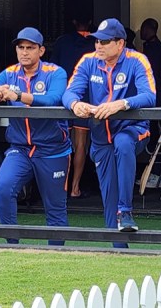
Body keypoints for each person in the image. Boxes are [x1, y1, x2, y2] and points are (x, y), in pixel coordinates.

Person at [62, 18, 156, 234]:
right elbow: (69, 92)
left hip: (132, 129)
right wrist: (75, 104)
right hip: (101, 134)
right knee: (108, 193)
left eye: (104, 42)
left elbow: (149, 96)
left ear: (120, 43)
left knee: (123, 144)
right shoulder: (88, 61)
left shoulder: (137, 60)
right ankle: (117, 249)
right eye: (97, 41)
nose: (98, 46)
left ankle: (126, 211)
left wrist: (121, 104)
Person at [0, 27, 71, 245]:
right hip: (20, 148)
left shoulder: (55, 72)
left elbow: (54, 100)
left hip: (52, 149)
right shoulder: (9, 73)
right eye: (20, 47)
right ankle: (13, 246)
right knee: (3, 188)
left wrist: (20, 95)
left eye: (30, 48)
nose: (24, 52)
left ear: (41, 51)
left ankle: (56, 256)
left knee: (55, 208)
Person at [50, 18, 95, 199]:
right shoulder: (95, 43)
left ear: (74, 21)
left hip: (64, 97)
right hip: (86, 99)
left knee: (63, 144)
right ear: (90, 21)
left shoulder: (62, 41)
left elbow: (52, 68)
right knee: (81, 145)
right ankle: (75, 188)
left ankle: (63, 187)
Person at [139, 17, 161, 107]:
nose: (141, 32)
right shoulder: (149, 45)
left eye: (142, 28)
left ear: (148, 29)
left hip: (155, 88)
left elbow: (152, 69)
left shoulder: (155, 48)